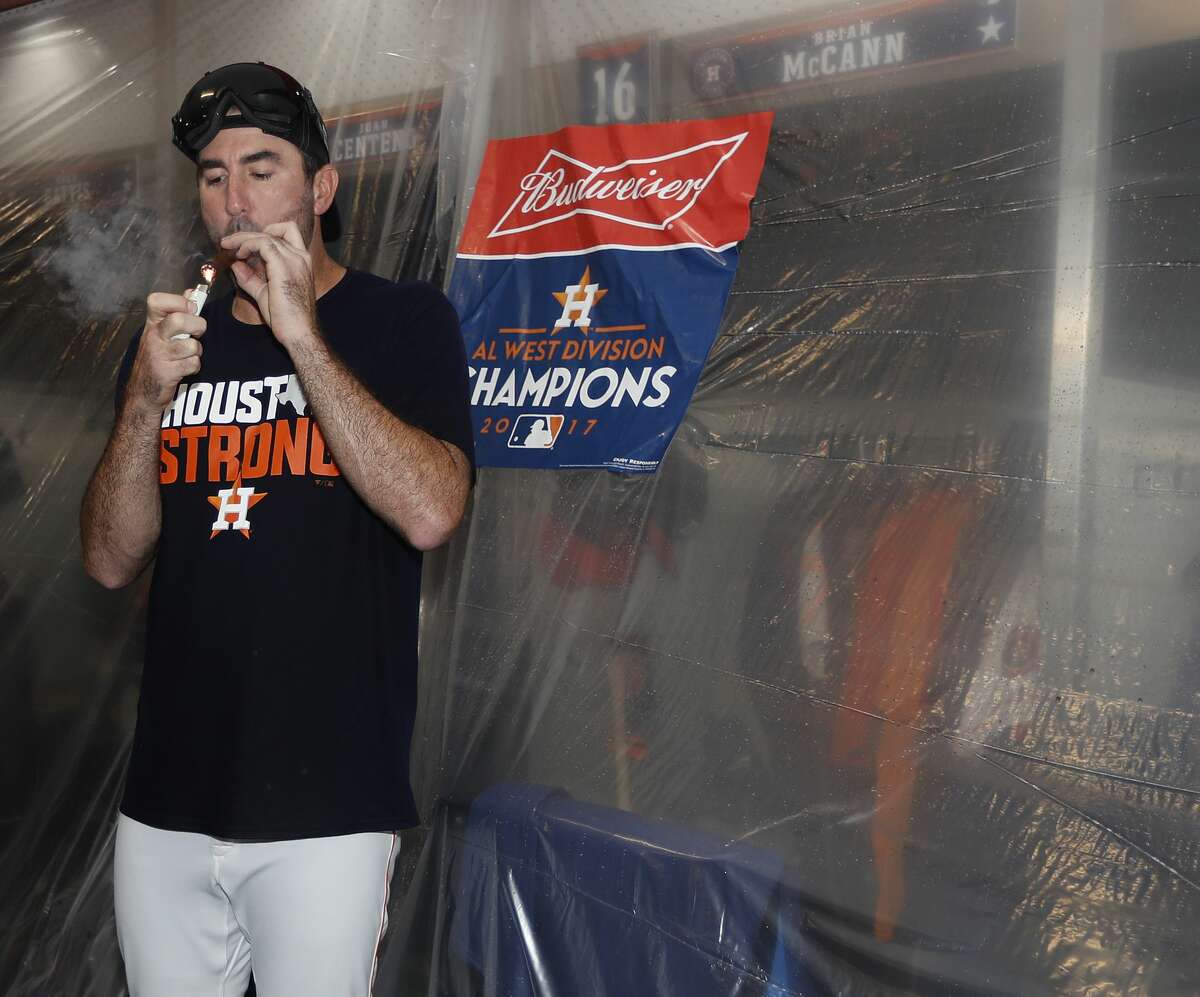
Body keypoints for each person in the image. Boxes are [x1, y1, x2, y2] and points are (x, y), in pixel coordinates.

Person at [79, 62, 474, 996]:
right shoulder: (176, 341)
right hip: (167, 804)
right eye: (214, 176)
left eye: (263, 167)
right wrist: (142, 402)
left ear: (322, 188)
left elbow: (431, 512)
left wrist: (302, 337)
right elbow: (106, 559)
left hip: (326, 809)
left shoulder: (403, 322)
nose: (236, 199)